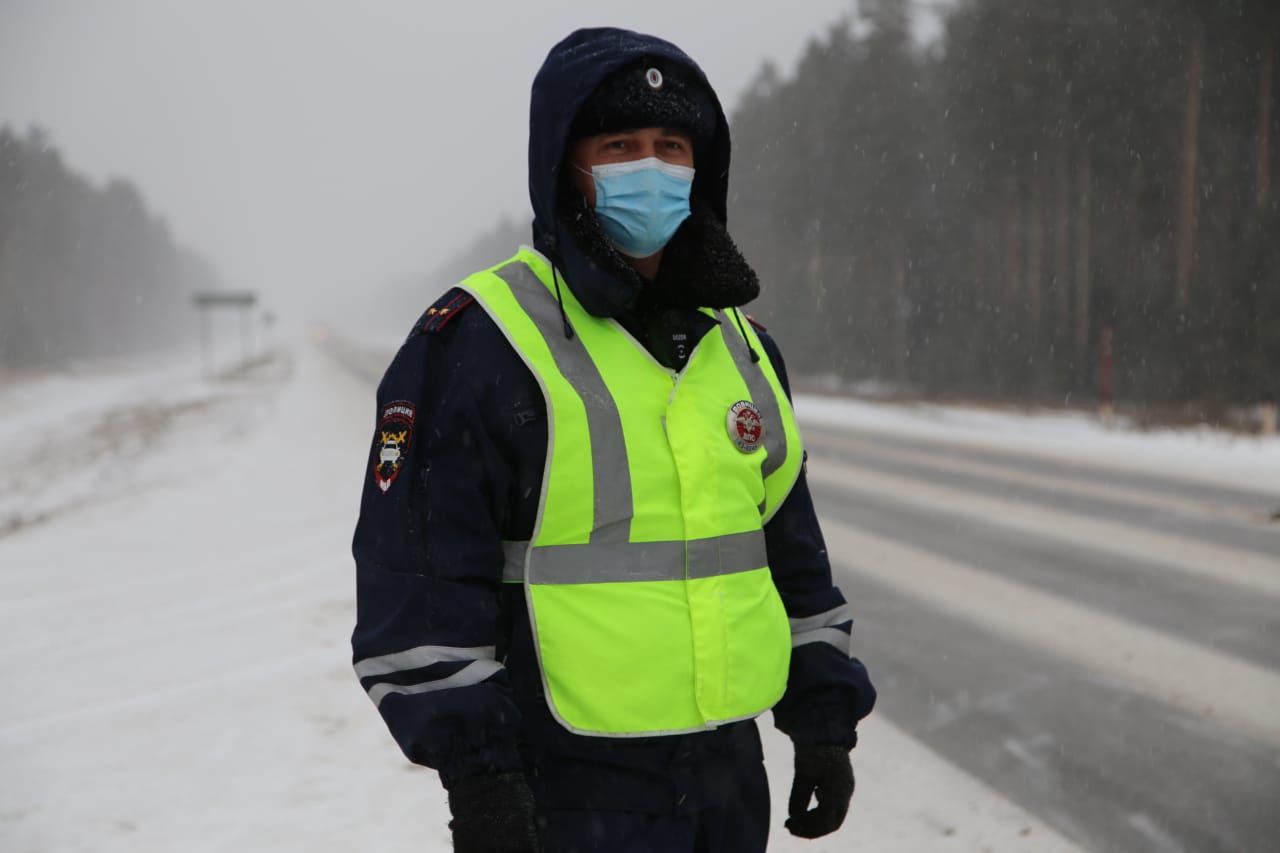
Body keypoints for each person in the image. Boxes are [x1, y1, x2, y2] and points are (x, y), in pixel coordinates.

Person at [351, 27, 876, 853]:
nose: (652, 166)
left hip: (727, 778)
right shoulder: (479, 343)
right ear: (567, 162)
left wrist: (823, 714)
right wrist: (484, 778)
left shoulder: (742, 347)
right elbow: (417, 588)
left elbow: (791, 556)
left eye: (672, 145)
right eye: (620, 144)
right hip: (566, 786)